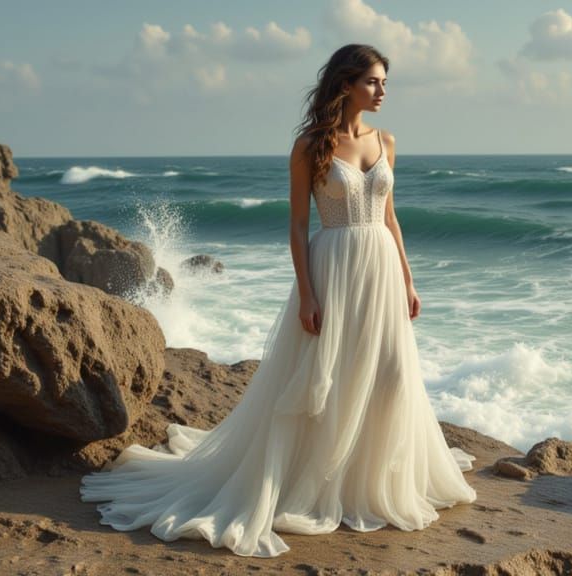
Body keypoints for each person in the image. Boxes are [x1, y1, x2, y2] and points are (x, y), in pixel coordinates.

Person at [80, 44, 477, 558]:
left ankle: (372, 480)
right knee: (324, 378)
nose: (383, 91)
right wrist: (307, 293)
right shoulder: (311, 145)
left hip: (380, 268)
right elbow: (296, 224)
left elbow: (390, 216)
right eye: (374, 81)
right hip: (332, 266)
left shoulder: (387, 141)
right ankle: (316, 482)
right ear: (346, 83)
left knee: (393, 375)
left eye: (384, 83)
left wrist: (408, 278)